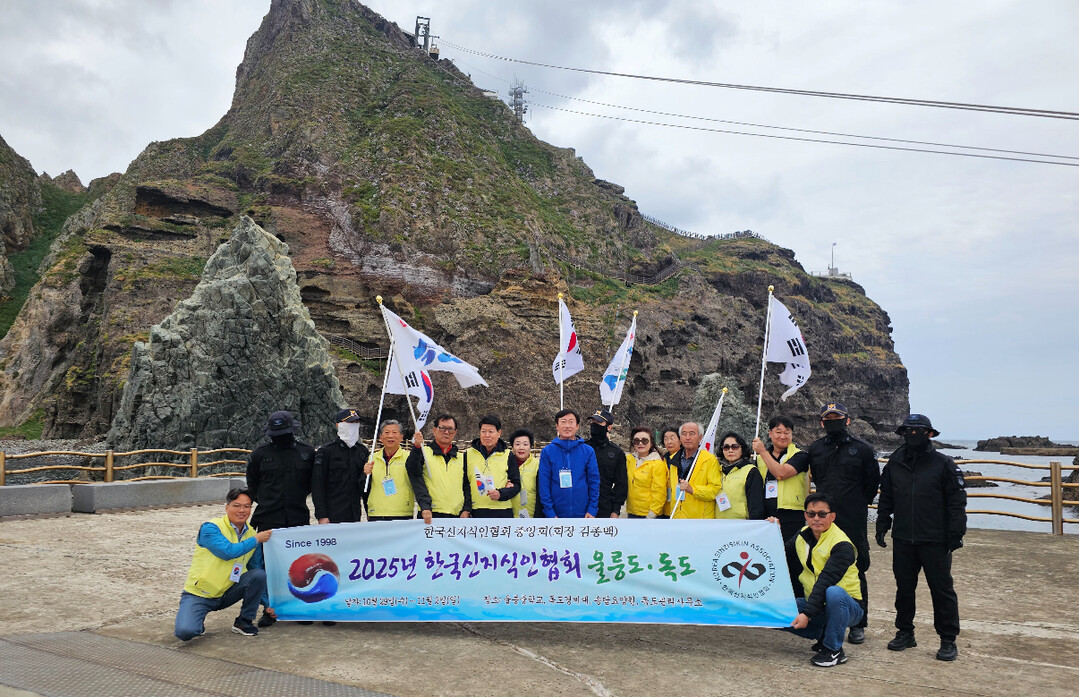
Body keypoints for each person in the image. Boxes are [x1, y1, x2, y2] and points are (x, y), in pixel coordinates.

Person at [876, 414, 967, 662]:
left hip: (935, 539)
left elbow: (957, 502)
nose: (912, 435)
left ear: (929, 434)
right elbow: (886, 497)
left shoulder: (944, 464)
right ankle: (905, 632)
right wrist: (883, 523)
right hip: (904, 537)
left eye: (918, 430)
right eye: (908, 430)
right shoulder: (894, 462)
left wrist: (956, 533)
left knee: (942, 590)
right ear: (902, 433)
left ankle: (948, 640)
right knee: (904, 588)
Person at [805, 402, 880, 644]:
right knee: (822, 567)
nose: (833, 422)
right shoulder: (815, 449)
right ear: (822, 423)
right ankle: (824, 619)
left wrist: (855, 505)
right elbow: (816, 478)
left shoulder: (863, 450)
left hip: (852, 519)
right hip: (823, 520)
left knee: (857, 569)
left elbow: (871, 485)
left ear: (847, 420)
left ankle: (859, 623)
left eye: (838, 417)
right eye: (828, 418)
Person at [775, 492, 864, 668]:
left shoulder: (842, 544)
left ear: (832, 516)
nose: (816, 518)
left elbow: (825, 582)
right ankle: (823, 633)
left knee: (834, 592)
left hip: (847, 607)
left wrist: (806, 614)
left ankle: (834, 650)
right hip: (815, 602)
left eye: (822, 514)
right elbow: (778, 555)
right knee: (775, 611)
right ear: (805, 516)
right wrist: (773, 532)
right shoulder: (802, 535)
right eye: (811, 514)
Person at [246, 410, 314, 627]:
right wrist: (269, 501)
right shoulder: (259, 455)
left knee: (299, 565)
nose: (281, 436)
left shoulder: (307, 453)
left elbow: (313, 484)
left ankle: (300, 608)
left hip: (297, 517)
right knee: (268, 567)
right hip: (268, 519)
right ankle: (269, 609)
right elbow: (253, 486)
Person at [174, 487, 272, 640]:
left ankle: (243, 621)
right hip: (200, 593)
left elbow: (255, 567)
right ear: (227, 507)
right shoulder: (211, 528)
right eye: (236, 505)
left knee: (258, 574)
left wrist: (267, 604)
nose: (242, 510)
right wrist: (257, 539)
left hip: (227, 592)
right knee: (185, 633)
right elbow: (228, 552)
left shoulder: (252, 533)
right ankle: (197, 620)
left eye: (247, 506)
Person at [752, 416, 811, 541]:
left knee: (790, 554)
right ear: (770, 433)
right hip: (766, 515)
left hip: (791, 515)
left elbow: (781, 474)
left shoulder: (800, 455)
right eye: (778, 432)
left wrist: (762, 451)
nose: (782, 436)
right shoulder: (758, 459)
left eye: (787, 432)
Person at [407, 414, 471, 522]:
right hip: (430, 514)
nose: (446, 432)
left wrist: (467, 509)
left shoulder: (461, 457)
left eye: (450, 429)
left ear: (455, 432)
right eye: (442, 428)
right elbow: (413, 471)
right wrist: (416, 448)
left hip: (457, 515)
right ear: (434, 430)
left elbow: (467, 485)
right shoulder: (423, 453)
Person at [312, 408, 371, 525]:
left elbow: (366, 486)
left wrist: (369, 512)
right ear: (339, 425)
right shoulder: (326, 451)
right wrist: (321, 515)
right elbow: (317, 485)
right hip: (332, 513)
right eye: (350, 423)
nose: (354, 426)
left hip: (354, 512)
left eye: (356, 423)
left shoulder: (362, 451)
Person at [538, 409, 600, 518]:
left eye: (571, 422)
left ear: (577, 426)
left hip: (583, 514)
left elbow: (594, 481)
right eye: (563, 422)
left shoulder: (588, 451)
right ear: (557, 426)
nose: (567, 426)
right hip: (556, 515)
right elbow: (544, 484)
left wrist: (592, 509)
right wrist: (549, 512)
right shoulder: (547, 451)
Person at [465, 415, 521, 518]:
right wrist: (466, 508)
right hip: (476, 510)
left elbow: (517, 485)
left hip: (502, 510)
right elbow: (463, 484)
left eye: (491, 432)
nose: (487, 435)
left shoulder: (508, 455)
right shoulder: (468, 454)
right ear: (479, 432)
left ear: (499, 433)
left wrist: (501, 494)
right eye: (483, 431)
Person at [363, 419, 415, 521]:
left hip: (402, 512)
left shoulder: (409, 457)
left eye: (394, 432)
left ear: (401, 437)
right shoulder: (371, 458)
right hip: (376, 513)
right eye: (386, 433)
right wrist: (364, 474)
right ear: (380, 437)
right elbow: (364, 487)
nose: (390, 436)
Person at [668, 421, 722, 519]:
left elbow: (715, 490)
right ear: (680, 438)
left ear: (700, 437)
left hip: (699, 520)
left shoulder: (709, 460)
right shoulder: (673, 460)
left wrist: (693, 490)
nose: (687, 437)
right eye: (684, 434)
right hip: (676, 517)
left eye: (692, 434)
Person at [585, 409, 628, 518]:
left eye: (598, 423)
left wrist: (615, 510)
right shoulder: (582, 448)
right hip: (581, 504)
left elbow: (621, 483)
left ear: (609, 427)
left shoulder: (616, 453)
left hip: (604, 506)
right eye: (593, 422)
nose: (594, 425)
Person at [715, 432, 766, 520]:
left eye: (734, 447)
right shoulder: (717, 471)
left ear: (742, 448)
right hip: (718, 524)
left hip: (742, 526)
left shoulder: (751, 471)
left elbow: (756, 505)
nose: (730, 450)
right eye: (726, 447)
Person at [624, 426, 667, 519]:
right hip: (632, 511)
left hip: (649, 515)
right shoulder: (629, 460)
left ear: (651, 442)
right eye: (636, 441)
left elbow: (660, 492)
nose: (640, 444)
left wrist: (652, 514)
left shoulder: (657, 464)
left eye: (644, 440)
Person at [509, 428, 540, 518]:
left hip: (531, 516)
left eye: (525, 444)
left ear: (530, 446)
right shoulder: (506, 465)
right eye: (517, 444)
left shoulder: (538, 465)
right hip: (509, 517)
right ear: (512, 447)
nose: (521, 447)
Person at [661, 426, 681, 517]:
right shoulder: (663, 459)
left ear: (680, 440)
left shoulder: (685, 460)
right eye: (666, 439)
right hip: (665, 508)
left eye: (672, 438)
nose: (669, 442)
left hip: (680, 508)